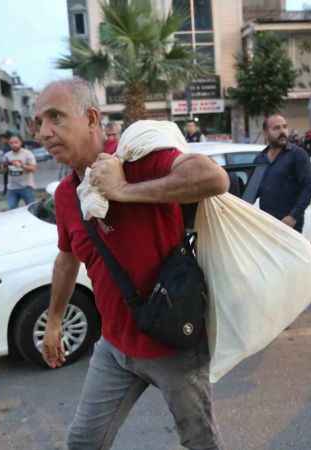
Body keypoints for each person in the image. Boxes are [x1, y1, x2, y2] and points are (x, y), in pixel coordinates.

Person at [36, 78, 228, 450]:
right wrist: (54, 321)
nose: (44, 132)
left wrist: (124, 190)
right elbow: (67, 259)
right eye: (39, 122)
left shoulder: (136, 158)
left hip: (173, 343)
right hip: (115, 347)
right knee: (83, 442)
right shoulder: (65, 195)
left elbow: (212, 177)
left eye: (55, 117)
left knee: (201, 442)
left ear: (92, 118)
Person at [246, 114, 311, 233]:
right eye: (276, 128)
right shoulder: (260, 159)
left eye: (285, 127)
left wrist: (293, 217)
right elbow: (252, 192)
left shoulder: (298, 154)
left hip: (289, 225)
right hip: (267, 224)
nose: (282, 131)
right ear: (266, 133)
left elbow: (308, 189)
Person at [1, 134, 37, 209]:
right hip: (12, 188)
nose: (14, 145)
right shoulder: (7, 155)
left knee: (32, 209)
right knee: (12, 209)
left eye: (16, 142)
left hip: (26, 187)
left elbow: (33, 169)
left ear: (21, 142)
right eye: (11, 143)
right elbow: (4, 171)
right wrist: (4, 166)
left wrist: (21, 165)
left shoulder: (27, 153)